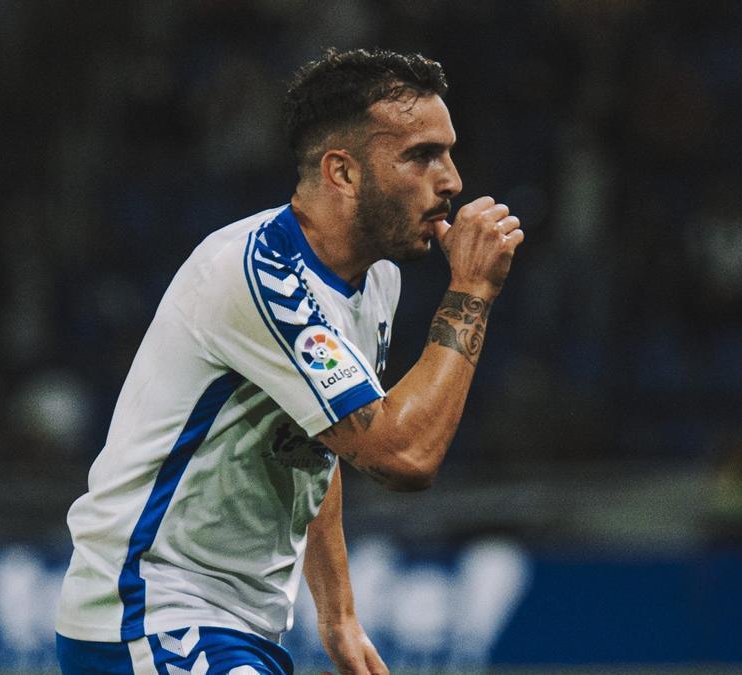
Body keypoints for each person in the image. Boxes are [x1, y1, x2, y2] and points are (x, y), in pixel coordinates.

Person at [55, 47, 524, 675]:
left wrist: (338, 615)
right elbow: (402, 456)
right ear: (343, 172)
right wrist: (471, 291)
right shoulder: (260, 276)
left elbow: (323, 438)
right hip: (149, 612)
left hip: (240, 625)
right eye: (421, 156)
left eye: (448, 151)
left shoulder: (376, 276)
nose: (452, 180)